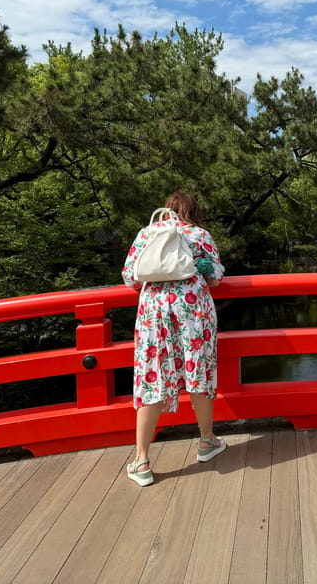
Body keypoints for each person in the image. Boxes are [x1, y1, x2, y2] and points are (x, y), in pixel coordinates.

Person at [121, 191, 227, 486]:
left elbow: (130, 277)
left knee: (152, 375)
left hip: (154, 311)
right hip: (193, 310)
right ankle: (206, 442)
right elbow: (216, 278)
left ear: (167, 209)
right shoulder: (200, 235)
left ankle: (141, 460)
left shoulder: (148, 232)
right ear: (194, 210)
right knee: (198, 372)